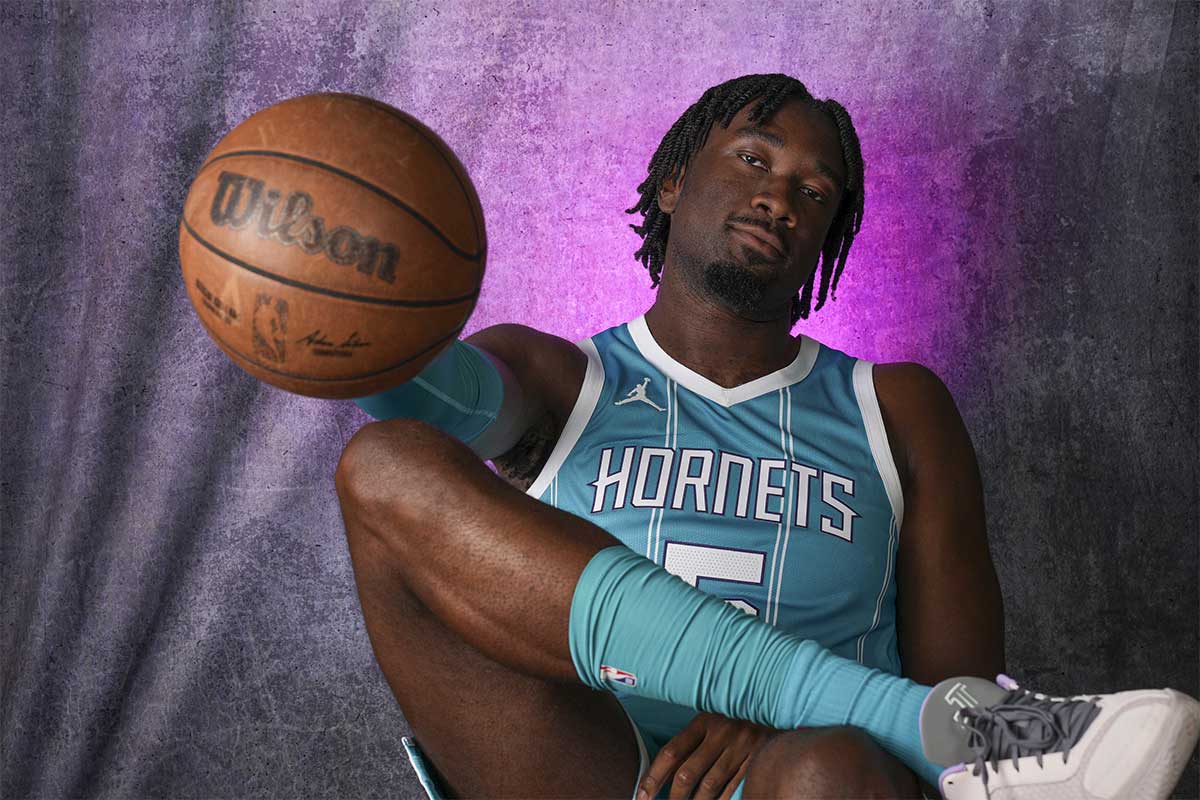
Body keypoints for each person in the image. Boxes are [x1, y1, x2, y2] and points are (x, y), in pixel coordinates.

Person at [341, 74, 1200, 799]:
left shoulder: (895, 407)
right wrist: (324, 299)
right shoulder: (557, 380)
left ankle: (952, 735)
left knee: (830, 764)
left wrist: (782, 717)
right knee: (382, 461)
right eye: (754, 158)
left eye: (815, 190)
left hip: (794, 776)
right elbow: (427, 400)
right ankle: (988, 732)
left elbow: (953, 676)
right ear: (673, 181)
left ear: (829, 233)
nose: (779, 197)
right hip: (583, 758)